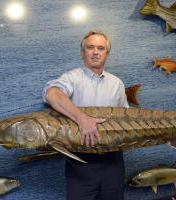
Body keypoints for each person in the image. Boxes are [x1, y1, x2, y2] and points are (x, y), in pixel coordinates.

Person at [42, 30, 129, 200]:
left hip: (114, 161)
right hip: (80, 160)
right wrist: (82, 119)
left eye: (100, 48)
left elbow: (125, 119)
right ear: (82, 53)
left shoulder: (117, 83)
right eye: (90, 47)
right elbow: (51, 94)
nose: (95, 52)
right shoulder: (72, 78)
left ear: (107, 54)